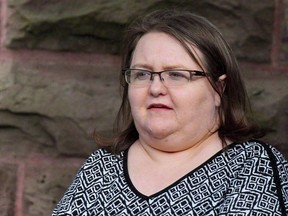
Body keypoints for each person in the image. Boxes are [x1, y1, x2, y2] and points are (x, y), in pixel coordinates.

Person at [53, 9, 288, 215]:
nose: (155, 88)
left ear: (219, 88)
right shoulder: (100, 169)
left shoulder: (252, 167)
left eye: (176, 75)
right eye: (142, 74)